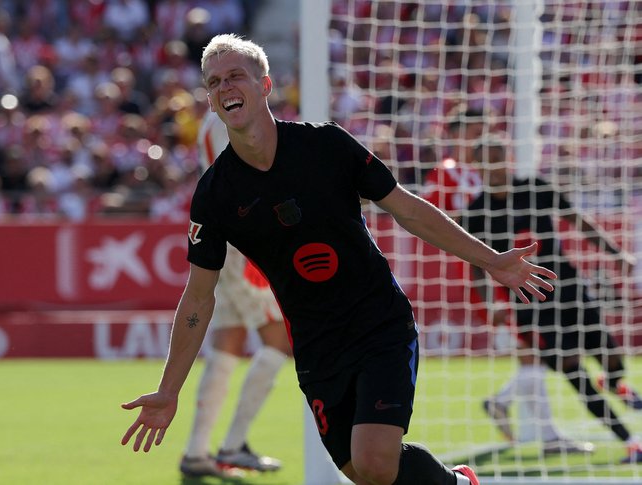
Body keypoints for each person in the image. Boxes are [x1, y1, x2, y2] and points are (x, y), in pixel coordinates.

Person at [121, 34, 557, 485]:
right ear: (210, 102)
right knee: (363, 472)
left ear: (265, 85)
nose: (226, 87)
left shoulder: (326, 145)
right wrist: (168, 390)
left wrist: (491, 260)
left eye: (236, 76)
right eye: (214, 83)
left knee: (374, 461)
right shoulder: (214, 195)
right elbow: (197, 299)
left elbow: (405, 208)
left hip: (378, 324)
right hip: (316, 346)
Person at [463, 135, 642, 464]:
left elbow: (577, 220)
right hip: (529, 304)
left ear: (508, 157)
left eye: (499, 155)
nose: (495, 165)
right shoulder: (476, 212)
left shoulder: (535, 188)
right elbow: (475, 267)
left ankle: (615, 382)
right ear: (477, 166)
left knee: (611, 356)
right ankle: (631, 443)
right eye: (486, 158)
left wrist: (616, 254)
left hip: (569, 288)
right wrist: (493, 303)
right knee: (574, 373)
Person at [422, 109, 576, 452]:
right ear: (457, 135)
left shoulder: (485, 175)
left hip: (512, 269)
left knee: (534, 350)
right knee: (531, 351)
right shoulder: (447, 175)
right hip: (489, 275)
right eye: (474, 130)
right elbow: (426, 213)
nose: (480, 135)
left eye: (484, 130)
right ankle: (545, 434)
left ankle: (508, 407)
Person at [178, 109, 291, 477]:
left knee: (228, 342)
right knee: (278, 341)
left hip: (225, 241)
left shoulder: (215, 124)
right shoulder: (230, 125)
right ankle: (233, 444)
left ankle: (197, 452)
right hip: (240, 245)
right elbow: (244, 185)